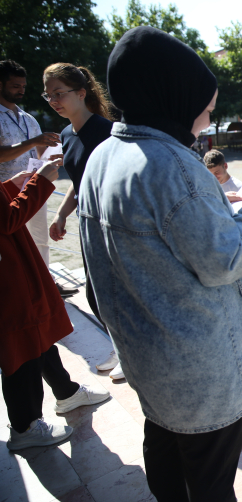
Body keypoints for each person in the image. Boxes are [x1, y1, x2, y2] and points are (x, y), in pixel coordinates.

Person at [79, 26, 242, 500]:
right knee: (209, 482)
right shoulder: (172, 165)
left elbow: (159, 233)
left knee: (165, 458)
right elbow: (225, 261)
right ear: (173, 98)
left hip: (150, 361)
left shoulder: (104, 154)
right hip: (200, 373)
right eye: (206, 109)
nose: (209, 120)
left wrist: (215, 206)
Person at [2, 158, 110, 451]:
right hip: (7, 268)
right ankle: (25, 426)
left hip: (13, 261)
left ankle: (66, 392)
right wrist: (39, 183)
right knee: (20, 342)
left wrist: (10, 187)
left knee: (36, 329)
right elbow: (7, 220)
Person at [41, 62, 124, 380]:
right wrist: (61, 213)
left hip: (114, 227)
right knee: (96, 293)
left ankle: (131, 353)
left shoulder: (107, 132)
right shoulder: (66, 134)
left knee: (115, 292)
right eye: (48, 95)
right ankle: (122, 348)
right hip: (88, 225)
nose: (53, 101)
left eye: (59, 93)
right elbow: (79, 181)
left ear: (81, 93)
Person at [0, 60, 79, 299]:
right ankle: (21, 293)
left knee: (40, 239)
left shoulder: (28, 118)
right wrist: (34, 142)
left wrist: (56, 157)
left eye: (23, 86)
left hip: (34, 187)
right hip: (6, 192)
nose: (21, 90)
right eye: (15, 86)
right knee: (13, 244)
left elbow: (38, 154)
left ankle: (45, 285)